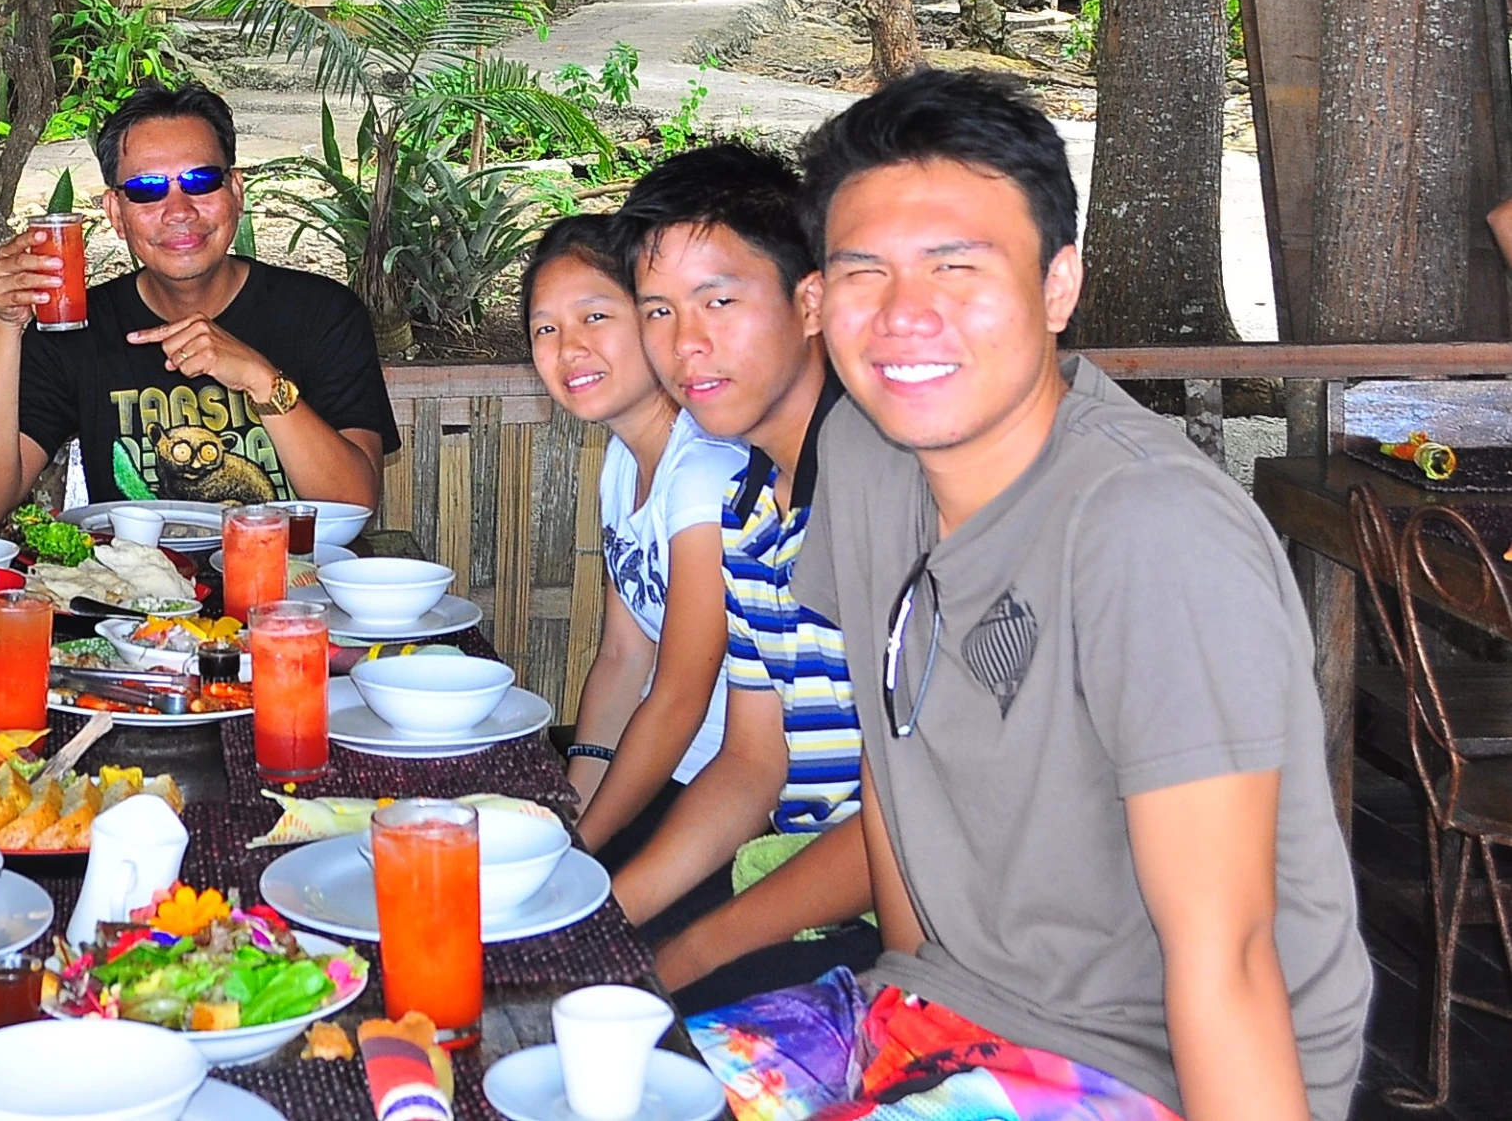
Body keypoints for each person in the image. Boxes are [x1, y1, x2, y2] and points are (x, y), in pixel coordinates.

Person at [691, 69, 1371, 1120]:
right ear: (819, 298)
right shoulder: (868, 461)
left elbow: (1226, 949)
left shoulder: (1147, 531)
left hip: (1141, 1062)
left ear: (1057, 286)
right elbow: (897, 758)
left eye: (956, 266)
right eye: (864, 270)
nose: (906, 313)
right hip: (943, 1007)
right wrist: (899, 996)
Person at [603, 145, 871, 1005]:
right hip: (791, 878)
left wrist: (680, 957)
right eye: (657, 310)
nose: (686, 343)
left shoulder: (884, 492)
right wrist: (598, 916)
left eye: (719, 299)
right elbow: (752, 763)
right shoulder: (748, 505)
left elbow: (904, 831)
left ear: (809, 301)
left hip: (901, 928)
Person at [0, 83, 399, 520]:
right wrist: (6, 324)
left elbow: (354, 503)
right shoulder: (80, 331)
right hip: (137, 589)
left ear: (236, 193)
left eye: (201, 181)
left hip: (288, 584)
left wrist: (262, 381)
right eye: (148, 189)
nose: (179, 210)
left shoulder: (322, 314)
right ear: (116, 214)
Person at [522, 215, 746, 864]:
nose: (567, 348)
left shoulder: (703, 470)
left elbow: (676, 697)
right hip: (658, 771)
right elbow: (624, 654)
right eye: (545, 328)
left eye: (595, 316)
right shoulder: (623, 461)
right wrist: (573, 798)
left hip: (725, 792)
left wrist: (579, 846)